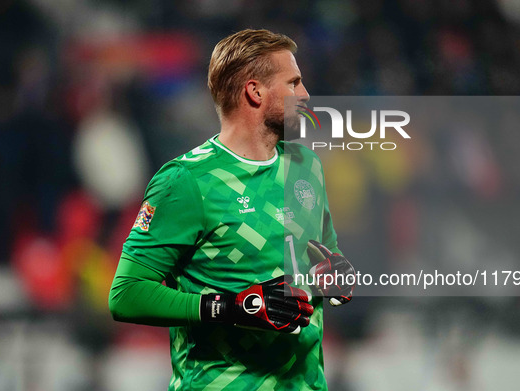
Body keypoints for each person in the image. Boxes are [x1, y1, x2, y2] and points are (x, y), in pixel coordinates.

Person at [109, 29, 354, 391]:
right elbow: (126, 294)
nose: (305, 95)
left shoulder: (306, 167)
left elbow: (326, 257)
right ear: (255, 92)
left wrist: (334, 274)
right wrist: (233, 308)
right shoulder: (187, 181)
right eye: (294, 83)